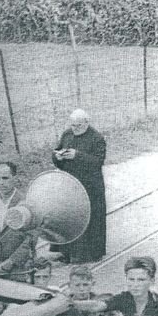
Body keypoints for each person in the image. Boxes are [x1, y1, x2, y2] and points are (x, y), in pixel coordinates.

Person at [52, 109, 107, 263]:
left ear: (86, 123)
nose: (75, 129)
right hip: (70, 183)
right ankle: (67, 252)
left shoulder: (97, 138)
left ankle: (91, 253)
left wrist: (77, 156)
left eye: (78, 125)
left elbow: (98, 162)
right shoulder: (67, 134)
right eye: (73, 125)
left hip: (90, 186)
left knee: (90, 218)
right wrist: (57, 156)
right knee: (69, 217)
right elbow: (57, 151)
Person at [0, 161, 36, 282]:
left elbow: (31, 238)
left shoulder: (27, 202)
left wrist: (11, 261)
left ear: (14, 178)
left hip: (19, 268)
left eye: (5, 178)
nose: (1, 182)